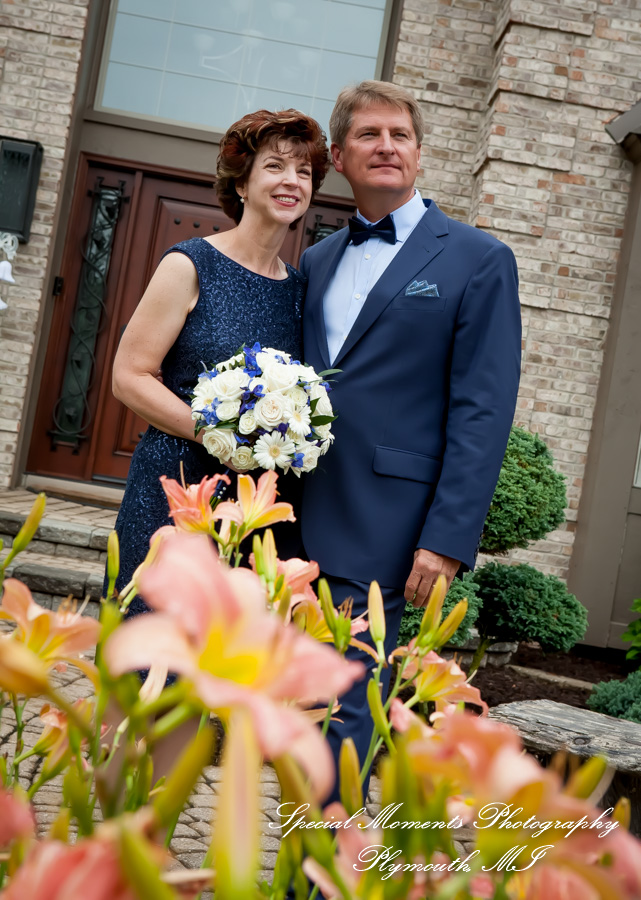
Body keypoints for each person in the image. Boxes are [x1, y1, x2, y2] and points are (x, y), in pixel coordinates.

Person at [300, 81, 522, 802]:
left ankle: (324, 856)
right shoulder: (315, 260)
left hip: (389, 532)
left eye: (400, 134)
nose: (387, 146)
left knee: (349, 716)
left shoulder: (478, 259)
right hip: (295, 522)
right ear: (339, 157)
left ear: (419, 153)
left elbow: (483, 410)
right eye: (368, 134)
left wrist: (447, 538)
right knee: (294, 712)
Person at [109, 109, 329, 607]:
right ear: (242, 184)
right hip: (177, 490)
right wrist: (216, 433)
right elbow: (129, 376)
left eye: (304, 171)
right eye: (275, 166)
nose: (292, 181)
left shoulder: (300, 291)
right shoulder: (190, 265)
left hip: (257, 510)